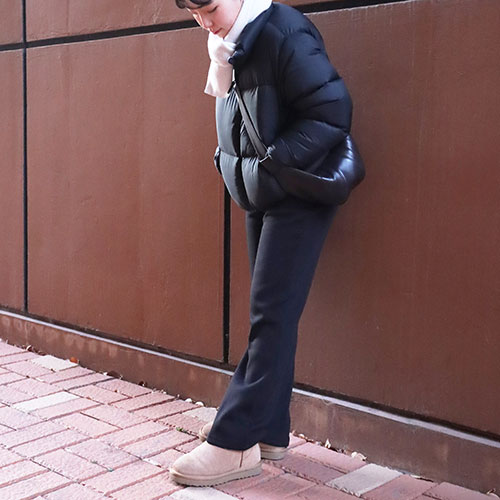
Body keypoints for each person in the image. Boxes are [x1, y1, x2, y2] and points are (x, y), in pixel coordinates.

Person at [169, 0, 353, 487]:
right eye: (193, 14)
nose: (205, 22)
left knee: (271, 315)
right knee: (273, 312)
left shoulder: (283, 32)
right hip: (263, 191)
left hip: (297, 191)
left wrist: (273, 164)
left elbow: (332, 114)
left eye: (209, 7)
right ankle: (269, 428)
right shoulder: (230, 45)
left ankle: (235, 441)